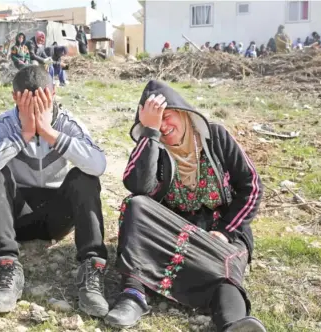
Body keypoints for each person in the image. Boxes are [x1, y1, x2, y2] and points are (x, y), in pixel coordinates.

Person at [103, 80, 264, 332]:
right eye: (155, 121)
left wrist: (224, 231)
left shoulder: (216, 137)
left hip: (220, 232)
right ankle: (133, 293)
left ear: (182, 112)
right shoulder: (155, 147)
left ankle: (233, 324)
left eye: (167, 116)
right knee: (135, 205)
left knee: (225, 268)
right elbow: (138, 186)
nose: (164, 126)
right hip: (174, 233)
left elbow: (251, 185)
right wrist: (150, 134)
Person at [0, 65, 109, 317]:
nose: (36, 109)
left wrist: (49, 133)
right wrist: (24, 135)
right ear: (14, 97)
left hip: (57, 217)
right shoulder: (3, 124)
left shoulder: (67, 122)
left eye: (43, 101)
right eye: (27, 103)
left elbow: (98, 165)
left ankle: (91, 268)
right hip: (17, 215)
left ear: (53, 93)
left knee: (84, 177)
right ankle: (8, 265)